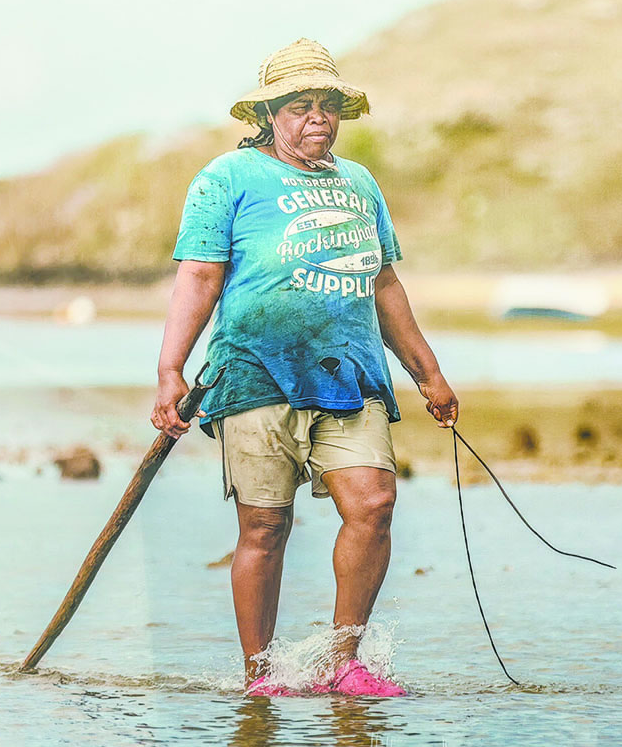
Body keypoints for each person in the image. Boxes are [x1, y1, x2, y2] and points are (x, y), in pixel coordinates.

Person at [151, 38, 458, 697]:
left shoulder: (359, 183)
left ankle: (344, 661)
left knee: (373, 502)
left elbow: (383, 283)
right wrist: (171, 371)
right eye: (299, 106)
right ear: (268, 117)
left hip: (351, 377)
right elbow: (200, 277)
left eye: (327, 106)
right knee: (265, 524)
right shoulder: (226, 178)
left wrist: (427, 373)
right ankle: (261, 675)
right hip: (255, 373)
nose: (317, 117)